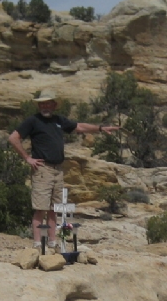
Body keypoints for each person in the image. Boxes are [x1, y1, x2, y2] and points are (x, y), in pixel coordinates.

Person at [8, 91, 119, 250]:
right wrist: (27, 158)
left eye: (48, 103)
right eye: (42, 103)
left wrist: (101, 128)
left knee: (54, 208)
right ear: (39, 105)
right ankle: (38, 243)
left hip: (58, 169)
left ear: (54, 105)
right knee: (41, 208)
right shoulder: (33, 121)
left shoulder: (59, 120)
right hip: (42, 168)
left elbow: (79, 127)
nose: (45, 106)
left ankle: (52, 242)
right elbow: (13, 138)